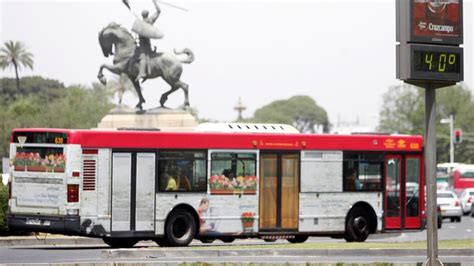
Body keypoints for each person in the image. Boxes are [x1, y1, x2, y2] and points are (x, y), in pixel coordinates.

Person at [136, 0, 163, 82]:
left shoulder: (141, 23)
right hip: (147, 42)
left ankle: (142, 73)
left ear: (142, 15)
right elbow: (158, 11)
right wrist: (154, 2)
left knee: (142, 57)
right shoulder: (151, 20)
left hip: (144, 43)